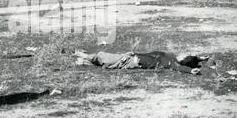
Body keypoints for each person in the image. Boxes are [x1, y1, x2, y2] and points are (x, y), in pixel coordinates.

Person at [75, 50, 209, 74]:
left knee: (101, 56)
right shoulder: (171, 56)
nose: (183, 54)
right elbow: (192, 57)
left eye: (185, 56)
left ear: (183, 60)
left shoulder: (171, 62)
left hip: (129, 61)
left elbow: (179, 68)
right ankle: (83, 61)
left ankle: (83, 56)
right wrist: (199, 58)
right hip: (131, 56)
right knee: (105, 61)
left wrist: (191, 70)